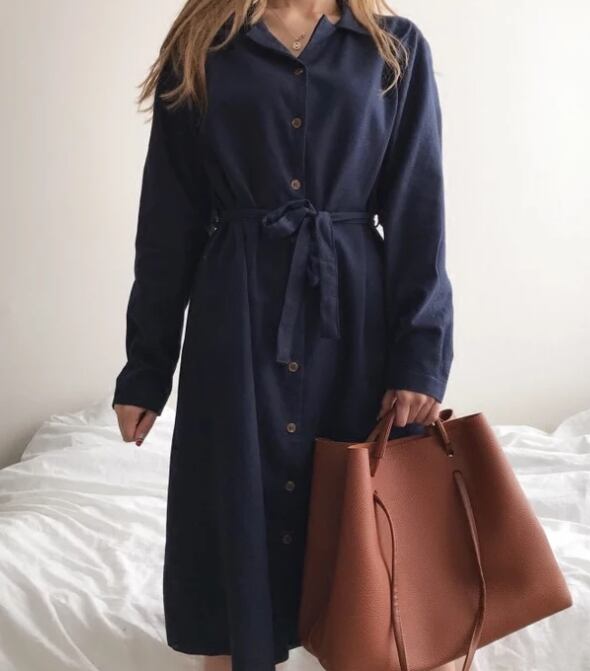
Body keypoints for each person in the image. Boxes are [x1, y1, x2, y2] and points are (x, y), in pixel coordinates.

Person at [112, 0, 455, 669]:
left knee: (366, 550)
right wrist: (146, 367)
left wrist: (421, 356)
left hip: (356, 322)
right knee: (231, 534)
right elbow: (168, 220)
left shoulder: (394, 49)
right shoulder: (203, 45)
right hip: (233, 322)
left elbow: (419, 212)